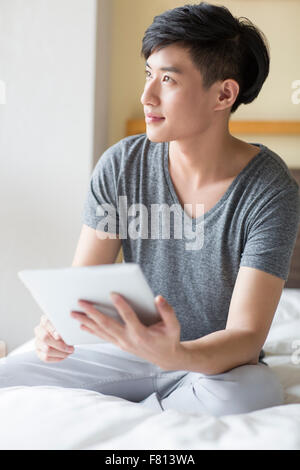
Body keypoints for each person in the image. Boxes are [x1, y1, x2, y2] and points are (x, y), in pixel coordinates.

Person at [1, 2, 299, 417]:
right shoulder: (121, 164)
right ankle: (162, 407)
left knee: (251, 393)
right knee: (7, 376)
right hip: (127, 352)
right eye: (148, 74)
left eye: (168, 80)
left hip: (213, 367)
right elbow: (80, 289)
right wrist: (54, 327)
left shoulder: (270, 189)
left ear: (224, 94)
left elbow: (246, 337)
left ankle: (140, 409)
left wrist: (177, 353)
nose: (147, 95)